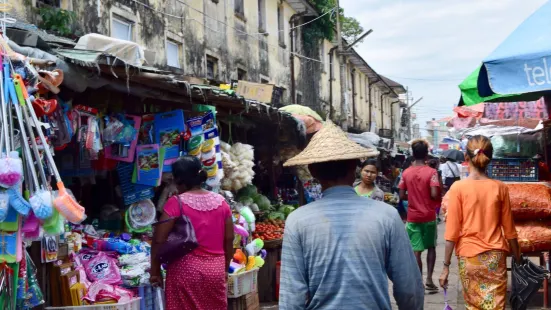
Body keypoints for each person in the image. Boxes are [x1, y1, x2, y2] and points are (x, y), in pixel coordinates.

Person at [279, 121, 424, 310]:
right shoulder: (387, 216)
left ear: (313, 171)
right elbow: (409, 288)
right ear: (355, 167)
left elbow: (291, 298)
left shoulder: (297, 221)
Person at [439, 135, 521, 309]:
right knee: (495, 306)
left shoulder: (458, 188)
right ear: (490, 158)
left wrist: (445, 266)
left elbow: (452, 233)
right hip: (495, 258)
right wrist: (518, 257)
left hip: (469, 258)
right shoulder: (500, 187)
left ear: (466, 157)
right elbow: (510, 230)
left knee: (474, 306)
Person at [150, 156, 234, 310]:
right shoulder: (222, 202)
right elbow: (229, 238)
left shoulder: (177, 202)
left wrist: (155, 271)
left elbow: (158, 240)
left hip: (185, 272)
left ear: (179, 180)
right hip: (215, 270)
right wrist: (224, 268)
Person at [398, 139, 440, 292]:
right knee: (431, 247)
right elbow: (435, 194)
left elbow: (401, 195)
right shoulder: (432, 172)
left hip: (413, 216)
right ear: (427, 153)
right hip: (429, 216)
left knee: (416, 250)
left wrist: (413, 196)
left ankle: (419, 282)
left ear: (412, 154)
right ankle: (429, 279)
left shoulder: (406, 172)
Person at [428, 159, 443, 223]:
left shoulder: (428, 171)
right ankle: (436, 215)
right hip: (437, 188)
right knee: (438, 203)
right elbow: (440, 182)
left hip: (430, 188)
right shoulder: (438, 172)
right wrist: (441, 190)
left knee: (431, 202)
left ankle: (432, 214)